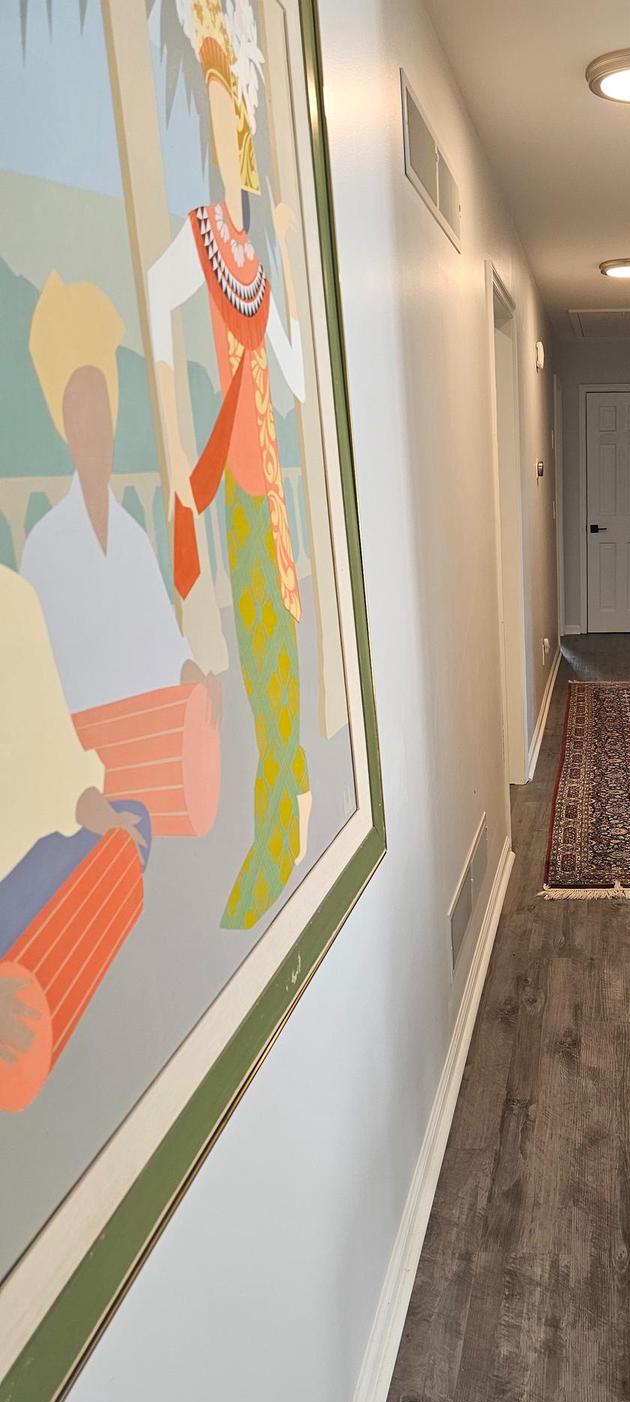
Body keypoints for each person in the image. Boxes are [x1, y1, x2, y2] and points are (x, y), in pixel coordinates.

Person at [148, 0, 311, 930]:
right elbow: (166, 303)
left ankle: (287, 801)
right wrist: (172, 440)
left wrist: (287, 240)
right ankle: (276, 815)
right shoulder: (205, 233)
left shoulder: (259, 248)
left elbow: (288, 364)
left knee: (280, 644)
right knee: (259, 657)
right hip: (239, 492)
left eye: (234, 104)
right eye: (215, 100)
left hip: (275, 494)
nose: (227, 123)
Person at [21, 274, 221, 720]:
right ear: (64, 428)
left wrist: (196, 680)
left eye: (101, 406)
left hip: (147, 744)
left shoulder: (133, 541)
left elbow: (168, 648)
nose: (93, 428)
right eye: (79, 411)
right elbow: (46, 697)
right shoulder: (44, 549)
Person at [0, 566, 149, 1089]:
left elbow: (58, 753)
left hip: (39, 856)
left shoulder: (14, 597)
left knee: (135, 820)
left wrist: (97, 811)